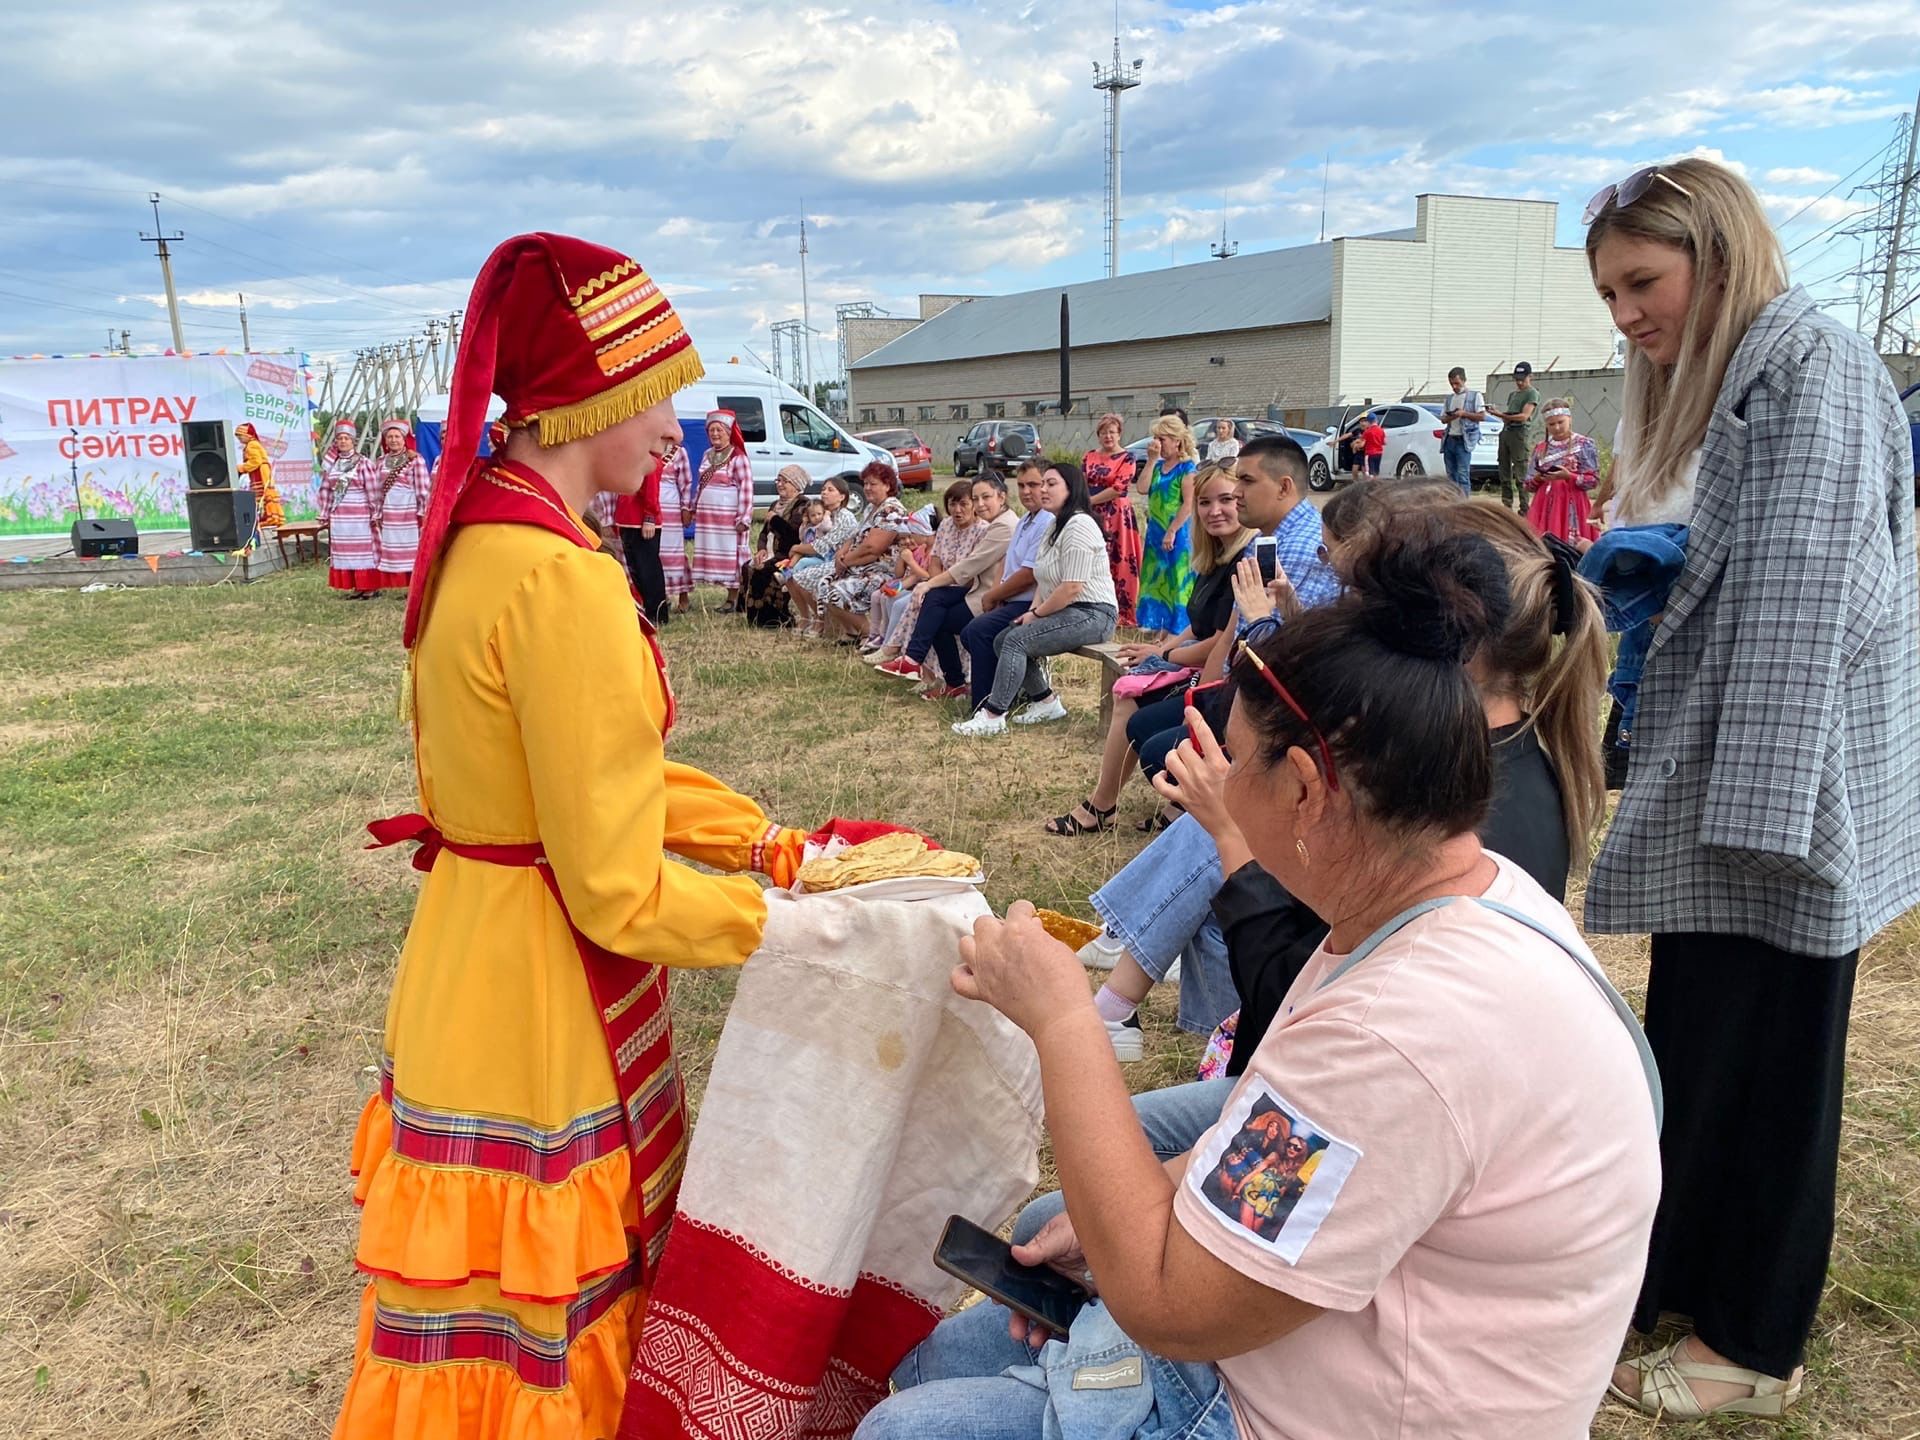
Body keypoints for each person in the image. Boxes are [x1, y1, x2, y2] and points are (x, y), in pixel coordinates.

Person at [856, 522, 1661, 1440]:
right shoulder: (1445, 898)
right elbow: (1289, 1153)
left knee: (903, 1429)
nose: (1213, 789)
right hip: (1317, 1345)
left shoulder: (1397, 1031)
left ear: (1309, 789)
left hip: (1297, 1407)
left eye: (1236, 763)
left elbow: (1168, 1304)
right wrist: (1160, 1188)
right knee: (934, 1362)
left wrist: (1062, 1020)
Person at [336, 232, 812, 1440]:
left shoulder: (479, 545)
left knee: (473, 1327)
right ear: (582, 398)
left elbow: (596, 780)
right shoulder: (562, 579)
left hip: (467, 962)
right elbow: (614, 887)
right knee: (547, 1329)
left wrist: (758, 841)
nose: (673, 428)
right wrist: (792, 923)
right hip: (543, 998)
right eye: (656, 395)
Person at [1578, 156, 1920, 1419]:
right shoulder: (1752, 377)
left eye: (1642, 283)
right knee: (1701, 1054)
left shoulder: (1810, 372)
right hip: (1741, 788)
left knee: (1777, 1070)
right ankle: (1675, 1280)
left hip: (1777, 801)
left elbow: (1801, 614)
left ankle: (1753, 1345)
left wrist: (1758, 836)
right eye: (1611, 292)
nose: (1626, 316)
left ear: (1717, 256)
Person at [1124, 435, 1342, 831]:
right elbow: (1232, 634)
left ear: (1284, 487)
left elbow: (1281, 657)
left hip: (1271, 709)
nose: (1236, 494)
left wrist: (1211, 705)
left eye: (1245, 482)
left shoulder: (1296, 548)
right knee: (1143, 728)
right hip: (1241, 690)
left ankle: (1233, 832)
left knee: (1160, 752)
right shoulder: (1269, 540)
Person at [1044, 461, 1251, 835]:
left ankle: (1104, 807)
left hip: (1220, 682)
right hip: (1197, 668)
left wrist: (1165, 657)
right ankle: (1115, 805)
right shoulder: (1214, 557)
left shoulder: (1244, 560)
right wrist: (1164, 648)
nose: (1214, 511)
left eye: (1226, 500)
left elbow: (1218, 644)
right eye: (1204, 502)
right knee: (1131, 686)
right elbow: (1197, 624)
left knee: (1133, 699)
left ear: (1244, 502)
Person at [951, 461, 1117, 737]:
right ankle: (1046, 702)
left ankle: (993, 715)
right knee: (1006, 637)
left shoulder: (1079, 524)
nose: (1043, 490)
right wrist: (1030, 613)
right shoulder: (1054, 526)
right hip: (1069, 611)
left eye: (1051, 484)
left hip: (1094, 614)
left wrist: (1037, 615)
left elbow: (1072, 587)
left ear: (1071, 488)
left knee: (1016, 641)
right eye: (1044, 484)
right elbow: (1043, 579)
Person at [875, 475, 1019, 694]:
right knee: (935, 610)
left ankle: (916, 661)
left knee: (933, 604)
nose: (980, 504)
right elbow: (938, 559)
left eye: (985, 497)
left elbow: (970, 566)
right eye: (976, 498)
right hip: (976, 592)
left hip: (988, 597)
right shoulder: (989, 523)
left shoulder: (1002, 527)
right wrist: (932, 584)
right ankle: (944, 679)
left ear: (1002, 496)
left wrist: (928, 584)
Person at [952, 462, 1057, 711]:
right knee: (972, 632)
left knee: (980, 632)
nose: (1026, 491)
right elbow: (1008, 566)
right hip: (1014, 599)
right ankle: (1009, 692)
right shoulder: (1025, 521)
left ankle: (985, 705)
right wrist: (997, 595)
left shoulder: (1047, 521)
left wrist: (992, 596)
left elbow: (1029, 574)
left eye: (1034, 484)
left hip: (1034, 603)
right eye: (1021, 485)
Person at [868, 479, 981, 663]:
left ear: (974, 505)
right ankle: (912, 662)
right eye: (952, 504)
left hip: (968, 588)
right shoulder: (946, 525)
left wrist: (933, 585)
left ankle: (901, 652)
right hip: (942, 585)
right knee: (927, 599)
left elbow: (969, 574)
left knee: (928, 604)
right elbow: (935, 561)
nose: (957, 510)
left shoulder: (982, 530)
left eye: (963, 504)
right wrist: (935, 585)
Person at [796, 462, 911, 641]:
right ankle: (852, 632)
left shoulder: (891, 510)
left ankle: (872, 636)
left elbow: (873, 548)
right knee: (822, 586)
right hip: (859, 565)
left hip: (881, 570)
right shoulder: (870, 508)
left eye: (873, 484)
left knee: (834, 592)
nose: (867, 488)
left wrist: (846, 561)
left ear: (887, 486)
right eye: (865, 483)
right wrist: (842, 553)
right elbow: (854, 536)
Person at [1136, 414, 1198, 636]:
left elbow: (1189, 504)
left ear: (1176, 440)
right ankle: (1156, 621)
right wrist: (1151, 460)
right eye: (1155, 438)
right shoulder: (1158, 465)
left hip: (1178, 531)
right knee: (1156, 575)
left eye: (1162, 439)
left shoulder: (1187, 469)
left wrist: (1172, 530)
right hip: (1155, 530)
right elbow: (1142, 488)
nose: (1157, 444)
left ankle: (1179, 625)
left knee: (1177, 577)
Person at [1083, 412, 1142, 627]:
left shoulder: (1127, 458)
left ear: (1119, 434)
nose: (1108, 436)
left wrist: (1090, 500)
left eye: (1112, 432)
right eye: (1103, 432)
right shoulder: (1088, 455)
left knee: (1120, 559)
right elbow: (1081, 481)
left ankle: (1123, 612)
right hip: (1091, 513)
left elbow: (1119, 488)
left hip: (1116, 514)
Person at [317, 418, 385, 599]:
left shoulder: (363, 463)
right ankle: (356, 586)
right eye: (340, 438)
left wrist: (375, 512)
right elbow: (325, 489)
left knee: (364, 550)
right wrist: (324, 511)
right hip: (340, 515)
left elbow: (373, 490)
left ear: (353, 441)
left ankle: (370, 587)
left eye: (346, 438)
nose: (343, 442)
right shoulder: (332, 465)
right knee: (347, 551)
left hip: (360, 514)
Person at [693, 409, 754, 608]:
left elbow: (746, 487)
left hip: (729, 518)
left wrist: (744, 518)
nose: (715, 434)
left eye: (719, 430)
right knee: (717, 553)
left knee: (731, 553)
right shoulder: (706, 455)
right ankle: (728, 595)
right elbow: (700, 483)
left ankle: (734, 597)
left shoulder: (738, 457)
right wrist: (694, 507)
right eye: (711, 430)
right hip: (709, 518)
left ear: (729, 432)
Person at [741, 464, 811, 628]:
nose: (779, 484)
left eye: (784, 481)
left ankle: (775, 619)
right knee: (747, 567)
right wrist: (762, 549)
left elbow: (793, 536)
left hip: (788, 554)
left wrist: (775, 519)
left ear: (796, 485)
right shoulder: (775, 504)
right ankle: (753, 616)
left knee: (764, 571)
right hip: (772, 551)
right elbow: (764, 533)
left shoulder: (802, 505)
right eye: (778, 480)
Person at [1523, 400, 1600, 543]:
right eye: (1551, 424)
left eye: (1560, 422)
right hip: (1544, 504)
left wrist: (1569, 476)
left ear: (1569, 419)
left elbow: (1593, 480)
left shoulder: (1584, 444)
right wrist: (1538, 479)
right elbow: (1527, 485)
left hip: (1572, 502)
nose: (1557, 427)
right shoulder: (1541, 448)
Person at [372, 418, 430, 590]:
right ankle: (403, 584)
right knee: (395, 548)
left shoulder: (415, 460)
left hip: (408, 511)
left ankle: (416, 585)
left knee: (412, 548)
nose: (393, 440)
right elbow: (377, 490)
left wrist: (422, 511)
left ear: (404, 439)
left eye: (397, 436)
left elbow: (422, 487)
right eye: (390, 437)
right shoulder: (381, 462)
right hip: (390, 511)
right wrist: (378, 512)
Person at [1490, 362, 1541, 509]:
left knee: (1520, 473)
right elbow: (1509, 415)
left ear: (1529, 377)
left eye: (1522, 379)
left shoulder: (1532, 393)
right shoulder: (1513, 394)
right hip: (1506, 431)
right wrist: (1498, 413)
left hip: (1519, 433)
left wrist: (1501, 414)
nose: (1519, 383)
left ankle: (1524, 508)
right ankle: (1507, 505)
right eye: (1517, 379)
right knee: (1504, 472)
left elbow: (1524, 416)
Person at [654, 442, 695, 613]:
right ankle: (661, 595)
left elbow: (686, 483)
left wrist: (686, 508)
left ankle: (683, 596)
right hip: (651, 507)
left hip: (671, 507)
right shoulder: (647, 448)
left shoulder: (678, 452)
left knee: (674, 552)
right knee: (655, 553)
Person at [1439, 365, 1485, 496]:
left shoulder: (1475, 396)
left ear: (1464, 381)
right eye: (1451, 384)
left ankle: (1464, 502)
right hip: (1450, 439)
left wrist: (1464, 414)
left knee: (1463, 474)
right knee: (1450, 475)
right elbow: (1443, 419)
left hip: (1463, 440)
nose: (1454, 386)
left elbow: (1482, 416)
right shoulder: (1449, 398)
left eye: (1457, 383)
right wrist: (1451, 416)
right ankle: (1453, 500)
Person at [234, 421, 285, 529]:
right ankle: (271, 517)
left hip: (260, 472)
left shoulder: (251, 445)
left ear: (247, 435)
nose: (240, 440)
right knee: (264, 494)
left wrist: (240, 468)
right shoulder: (253, 444)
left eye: (241, 437)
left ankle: (271, 518)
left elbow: (256, 461)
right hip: (261, 471)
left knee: (264, 494)